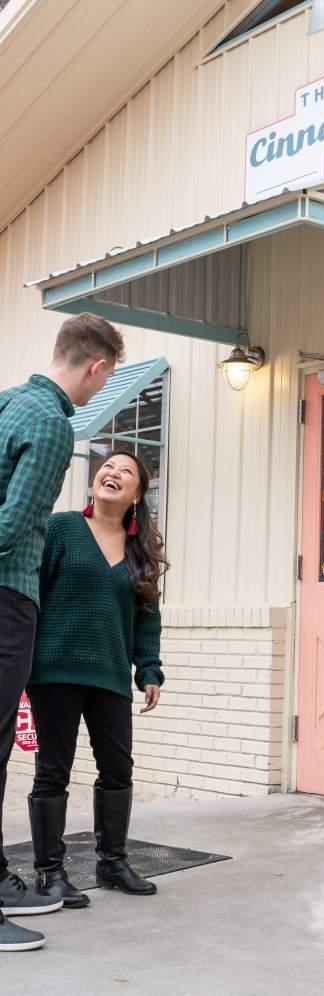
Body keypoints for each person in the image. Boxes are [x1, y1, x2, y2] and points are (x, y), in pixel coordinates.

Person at [0, 313, 124, 951]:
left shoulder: (7, 404)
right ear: (97, 367)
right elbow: (14, 526)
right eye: (102, 382)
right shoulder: (51, 423)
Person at [27, 450, 169, 910]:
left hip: (109, 673)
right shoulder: (62, 528)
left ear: (137, 494)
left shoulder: (139, 550)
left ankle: (112, 862)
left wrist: (148, 669)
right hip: (55, 671)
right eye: (108, 467)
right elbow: (31, 594)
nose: (113, 473)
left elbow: (147, 616)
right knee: (53, 770)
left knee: (118, 769)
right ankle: (50, 873)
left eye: (126, 471)